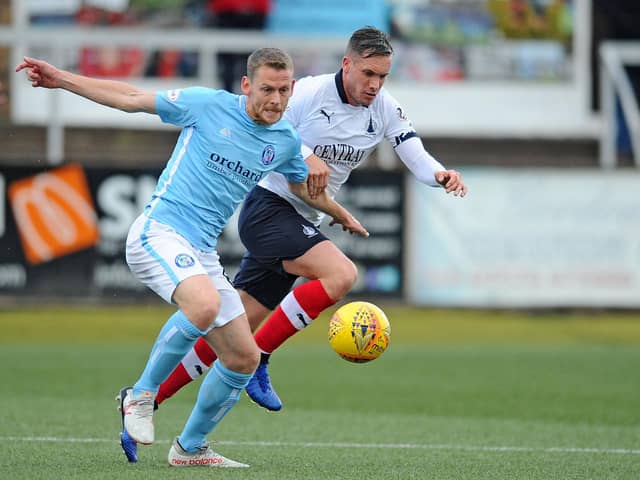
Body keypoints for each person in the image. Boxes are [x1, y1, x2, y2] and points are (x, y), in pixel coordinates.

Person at [16, 47, 367, 467]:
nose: (276, 100)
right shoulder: (208, 105)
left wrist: (339, 213)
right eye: (267, 89)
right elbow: (130, 99)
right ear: (246, 86)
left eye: (284, 90)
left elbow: (301, 186)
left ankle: (190, 448)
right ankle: (140, 396)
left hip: (200, 252)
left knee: (243, 356)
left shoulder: (285, 140)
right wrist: (62, 79)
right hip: (158, 232)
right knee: (204, 304)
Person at [149, 25, 467, 421]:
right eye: (368, 74)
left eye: (383, 76)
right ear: (347, 64)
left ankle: (148, 399)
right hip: (269, 206)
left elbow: (415, 154)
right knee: (340, 275)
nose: (375, 85)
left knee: (233, 331)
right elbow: (268, 126)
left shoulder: (385, 108)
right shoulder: (308, 93)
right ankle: (260, 359)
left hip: (303, 216)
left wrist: (439, 175)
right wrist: (302, 153)